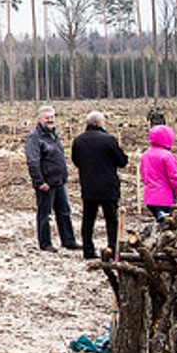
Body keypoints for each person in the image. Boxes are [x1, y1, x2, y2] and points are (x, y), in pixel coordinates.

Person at [71, 111, 129, 260]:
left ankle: (88, 251)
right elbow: (122, 161)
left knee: (88, 220)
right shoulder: (109, 140)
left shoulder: (78, 141)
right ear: (99, 123)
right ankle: (113, 248)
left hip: (88, 186)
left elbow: (76, 161)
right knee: (111, 220)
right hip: (108, 186)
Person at [25, 105, 80, 252]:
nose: (50, 120)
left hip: (59, 181)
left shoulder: (54, 135)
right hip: (45, 183)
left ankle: (68, 240)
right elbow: (32, 161)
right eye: (47, 118)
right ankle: (45, 243)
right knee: (44, 214)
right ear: (39, 119)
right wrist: (39, 181)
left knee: (64, 212)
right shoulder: (34, 137)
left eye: (52, 117)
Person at [141, 124, 177, 223]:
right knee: (169, 226)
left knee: (162, 224)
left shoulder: (145, 155)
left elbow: (144, 175)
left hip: (149, 198)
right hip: (165, 199)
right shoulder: (167, 156)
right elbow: (174, 179)